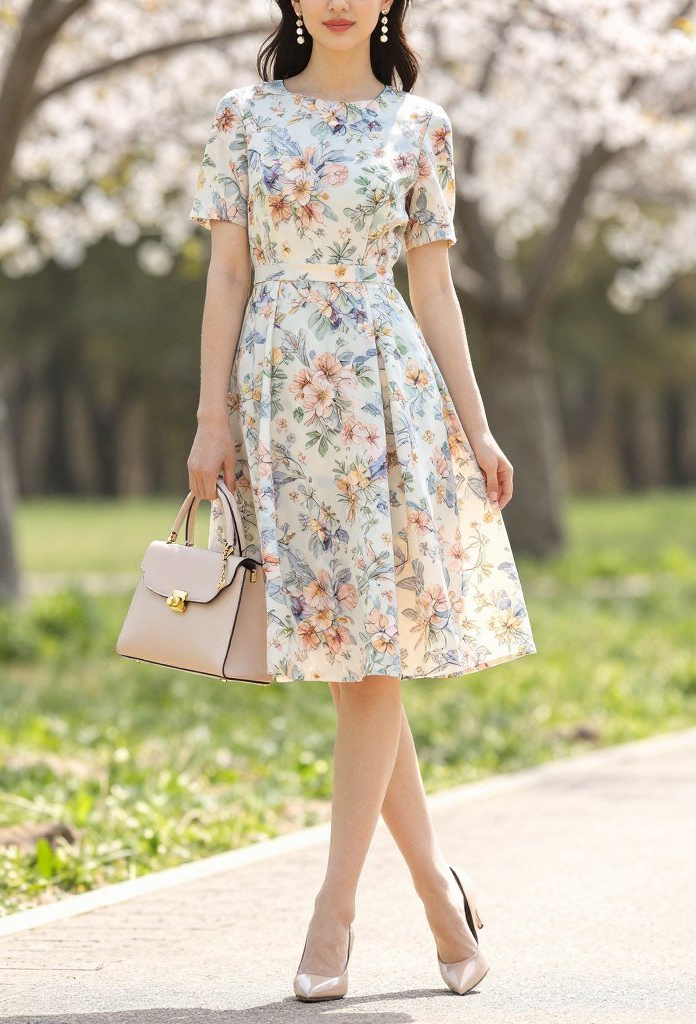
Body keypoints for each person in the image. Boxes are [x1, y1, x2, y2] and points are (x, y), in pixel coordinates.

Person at [185, 0, 537, 1002]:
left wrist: (477, 426)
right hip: (279, 399)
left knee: (370, 658)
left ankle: (333, 912)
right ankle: (439, 899)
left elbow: (433, 292)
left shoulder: (418, 126)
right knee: (353, 669)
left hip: (389, 397)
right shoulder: (240, 119)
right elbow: (225, 277)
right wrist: (211, 419)